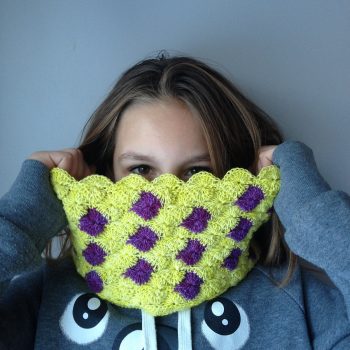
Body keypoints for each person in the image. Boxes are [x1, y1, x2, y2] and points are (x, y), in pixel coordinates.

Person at [1, 53, 349, 350]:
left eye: (196, 171)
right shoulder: (42, 300)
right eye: (141, 169)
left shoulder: (293, 301)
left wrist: (311, 210)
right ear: (104, 172)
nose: (165, 194)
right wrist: (23, 218)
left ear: (235, 174)